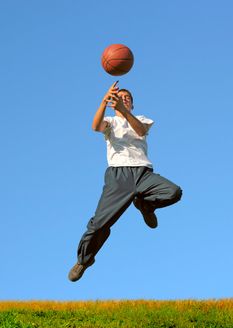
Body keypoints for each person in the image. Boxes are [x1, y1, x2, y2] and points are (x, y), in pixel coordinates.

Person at [68, 81, 182, 282]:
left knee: (173, 192)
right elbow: (95, 126)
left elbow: (140, 131)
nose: (125, 99)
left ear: (132, 104)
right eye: (121, 97)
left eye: (128, 98)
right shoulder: (110, 122)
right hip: (118, 176)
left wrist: (124, 111)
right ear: (114, 102)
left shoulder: (141, 119)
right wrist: (104, 102)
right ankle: (84, 261)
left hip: (143, 173)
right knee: (100, 223)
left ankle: (145, 205)